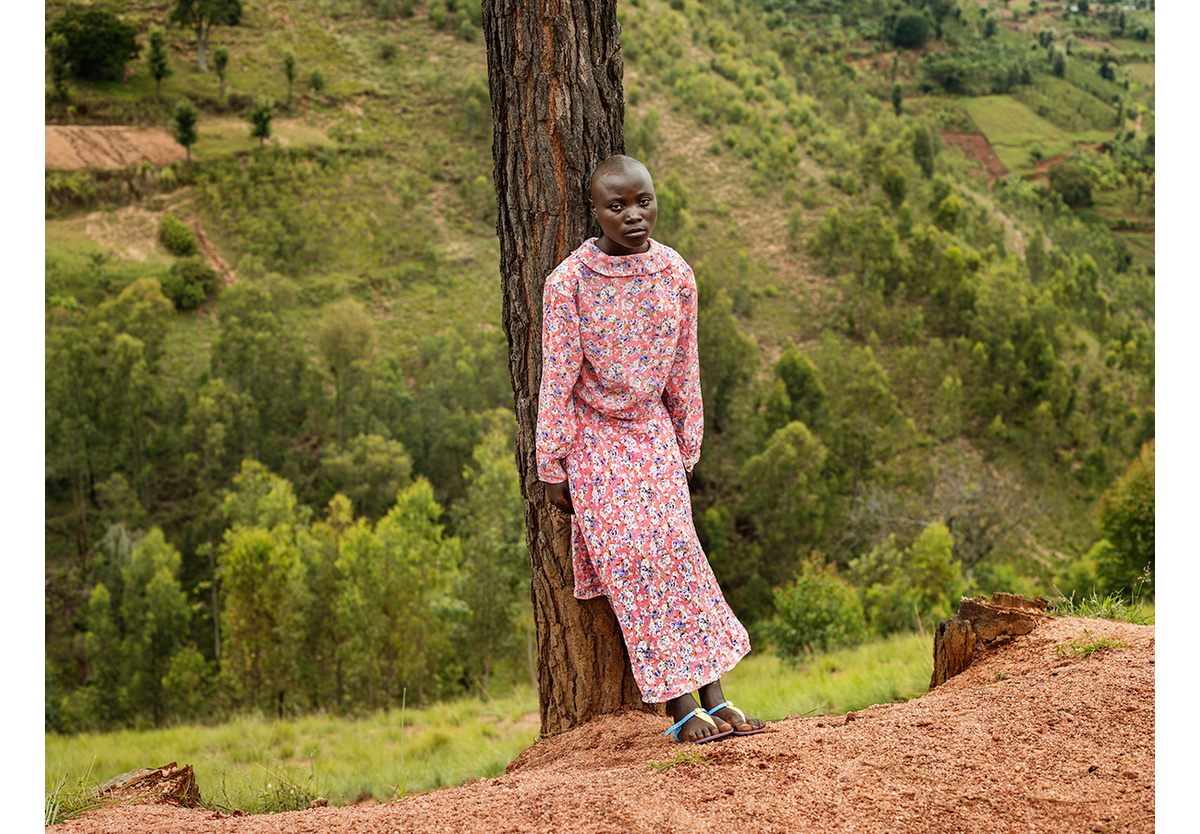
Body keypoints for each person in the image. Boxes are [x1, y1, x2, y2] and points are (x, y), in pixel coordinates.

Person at [535, 154, 766, 744]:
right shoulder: (569, 284)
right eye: (617, 206)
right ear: (595, 212)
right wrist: (551, 461)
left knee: (679, 557)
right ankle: (681, 710)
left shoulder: (675, 273)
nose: (634, 216)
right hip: (595, 443)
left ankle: (717, 698)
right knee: (635, 567)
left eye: (644, 201)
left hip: (653, 436)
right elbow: (557, 377)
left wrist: (688, 441)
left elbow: (684, 366)